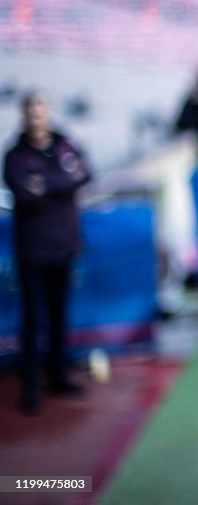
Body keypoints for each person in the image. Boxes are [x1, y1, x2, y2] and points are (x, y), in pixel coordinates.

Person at [4, 93, 91, 414]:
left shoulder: (66, 145)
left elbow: (85, 174)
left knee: (59, 315)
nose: (37, 117)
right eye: (32, 112)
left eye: (42, 110)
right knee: (32, 318)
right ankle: (30, 386)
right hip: (32, 249)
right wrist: (62, 183)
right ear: (25, 116)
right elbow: (25, 192)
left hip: (63, 245)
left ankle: (58, 375)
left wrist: (47, 183)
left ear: (49, 113)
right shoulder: (15, 155)